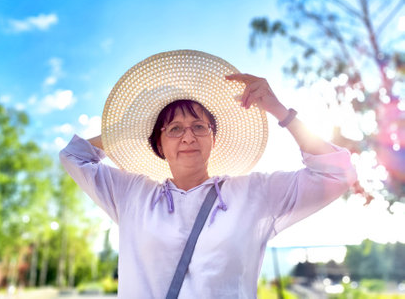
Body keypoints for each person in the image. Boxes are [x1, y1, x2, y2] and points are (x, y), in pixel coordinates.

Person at [60, 50, 357, 298]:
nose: (188, 136)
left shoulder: (253, 193)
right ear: (159, 144)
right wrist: (127, 132)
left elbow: (335, 174)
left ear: (213, 138)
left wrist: (281, 112)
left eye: (199, 126)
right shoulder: (132, 195)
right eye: (174, 129)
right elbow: (73, 156)